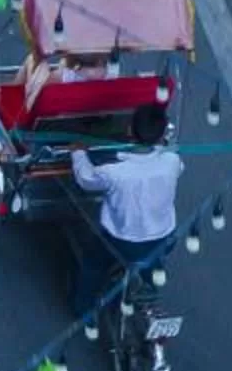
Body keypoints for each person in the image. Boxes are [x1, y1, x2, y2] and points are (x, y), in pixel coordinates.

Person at [66, 108, 183, 325]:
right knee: (152, 265)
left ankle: (83, 309)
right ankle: (148, 297)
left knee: (93, 264)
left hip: (121, 240)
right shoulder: (172, 162)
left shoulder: (114, 172)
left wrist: (78, 153)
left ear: (129, 130)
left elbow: (86, 179)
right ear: (161, 136)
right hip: (162, 237)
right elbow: (175, 164)